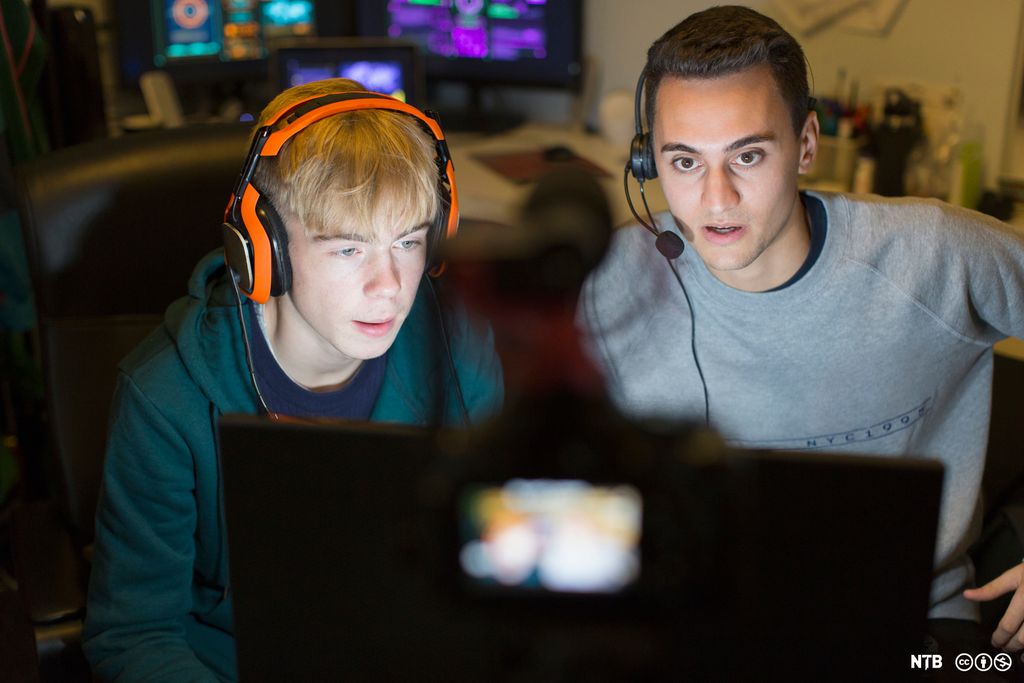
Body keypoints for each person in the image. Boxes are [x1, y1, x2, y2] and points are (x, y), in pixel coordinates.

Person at [577, 4, 1024, 658]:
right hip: (692, 622)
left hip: (911, 624)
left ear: (806, 143)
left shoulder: (931, 256)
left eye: (748, 154)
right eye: (684, 162)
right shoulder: (607, 283)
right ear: (648, 163)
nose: (717, 197)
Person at [83, 78, 503, 681]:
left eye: (408, 242)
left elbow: (495, 558)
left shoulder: (459, 345)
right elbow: (136, 635)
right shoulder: (164, 399)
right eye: (348, 250)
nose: (389, 285)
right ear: (263, 248)